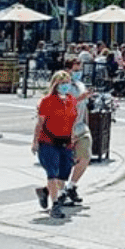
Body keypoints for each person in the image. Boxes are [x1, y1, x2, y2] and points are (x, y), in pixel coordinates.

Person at [32, 70, 79, 219]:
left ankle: (45, 191)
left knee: (63, 175)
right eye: (62, 83)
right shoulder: (47, 101)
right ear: (55, 84)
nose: (65, 86)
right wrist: (35, 142)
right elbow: (40, 123)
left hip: (65, 142)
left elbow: (72, 121)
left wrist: (72, 140)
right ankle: (55, 204)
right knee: (52, 173)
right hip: (48, 141)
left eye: (67, 83)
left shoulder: (71, 100)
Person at [62, 55, 93, 205]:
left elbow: (84, 106)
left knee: (85, 156)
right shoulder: (62, 86)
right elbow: (63, 106)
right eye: (75, 70)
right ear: (68, 70)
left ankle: (71, 186)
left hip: (81, 127)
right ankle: (54, 192)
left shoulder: (80, 84)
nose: (78, 72)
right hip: (66, 128)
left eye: (79, 69)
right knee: (64, 163)